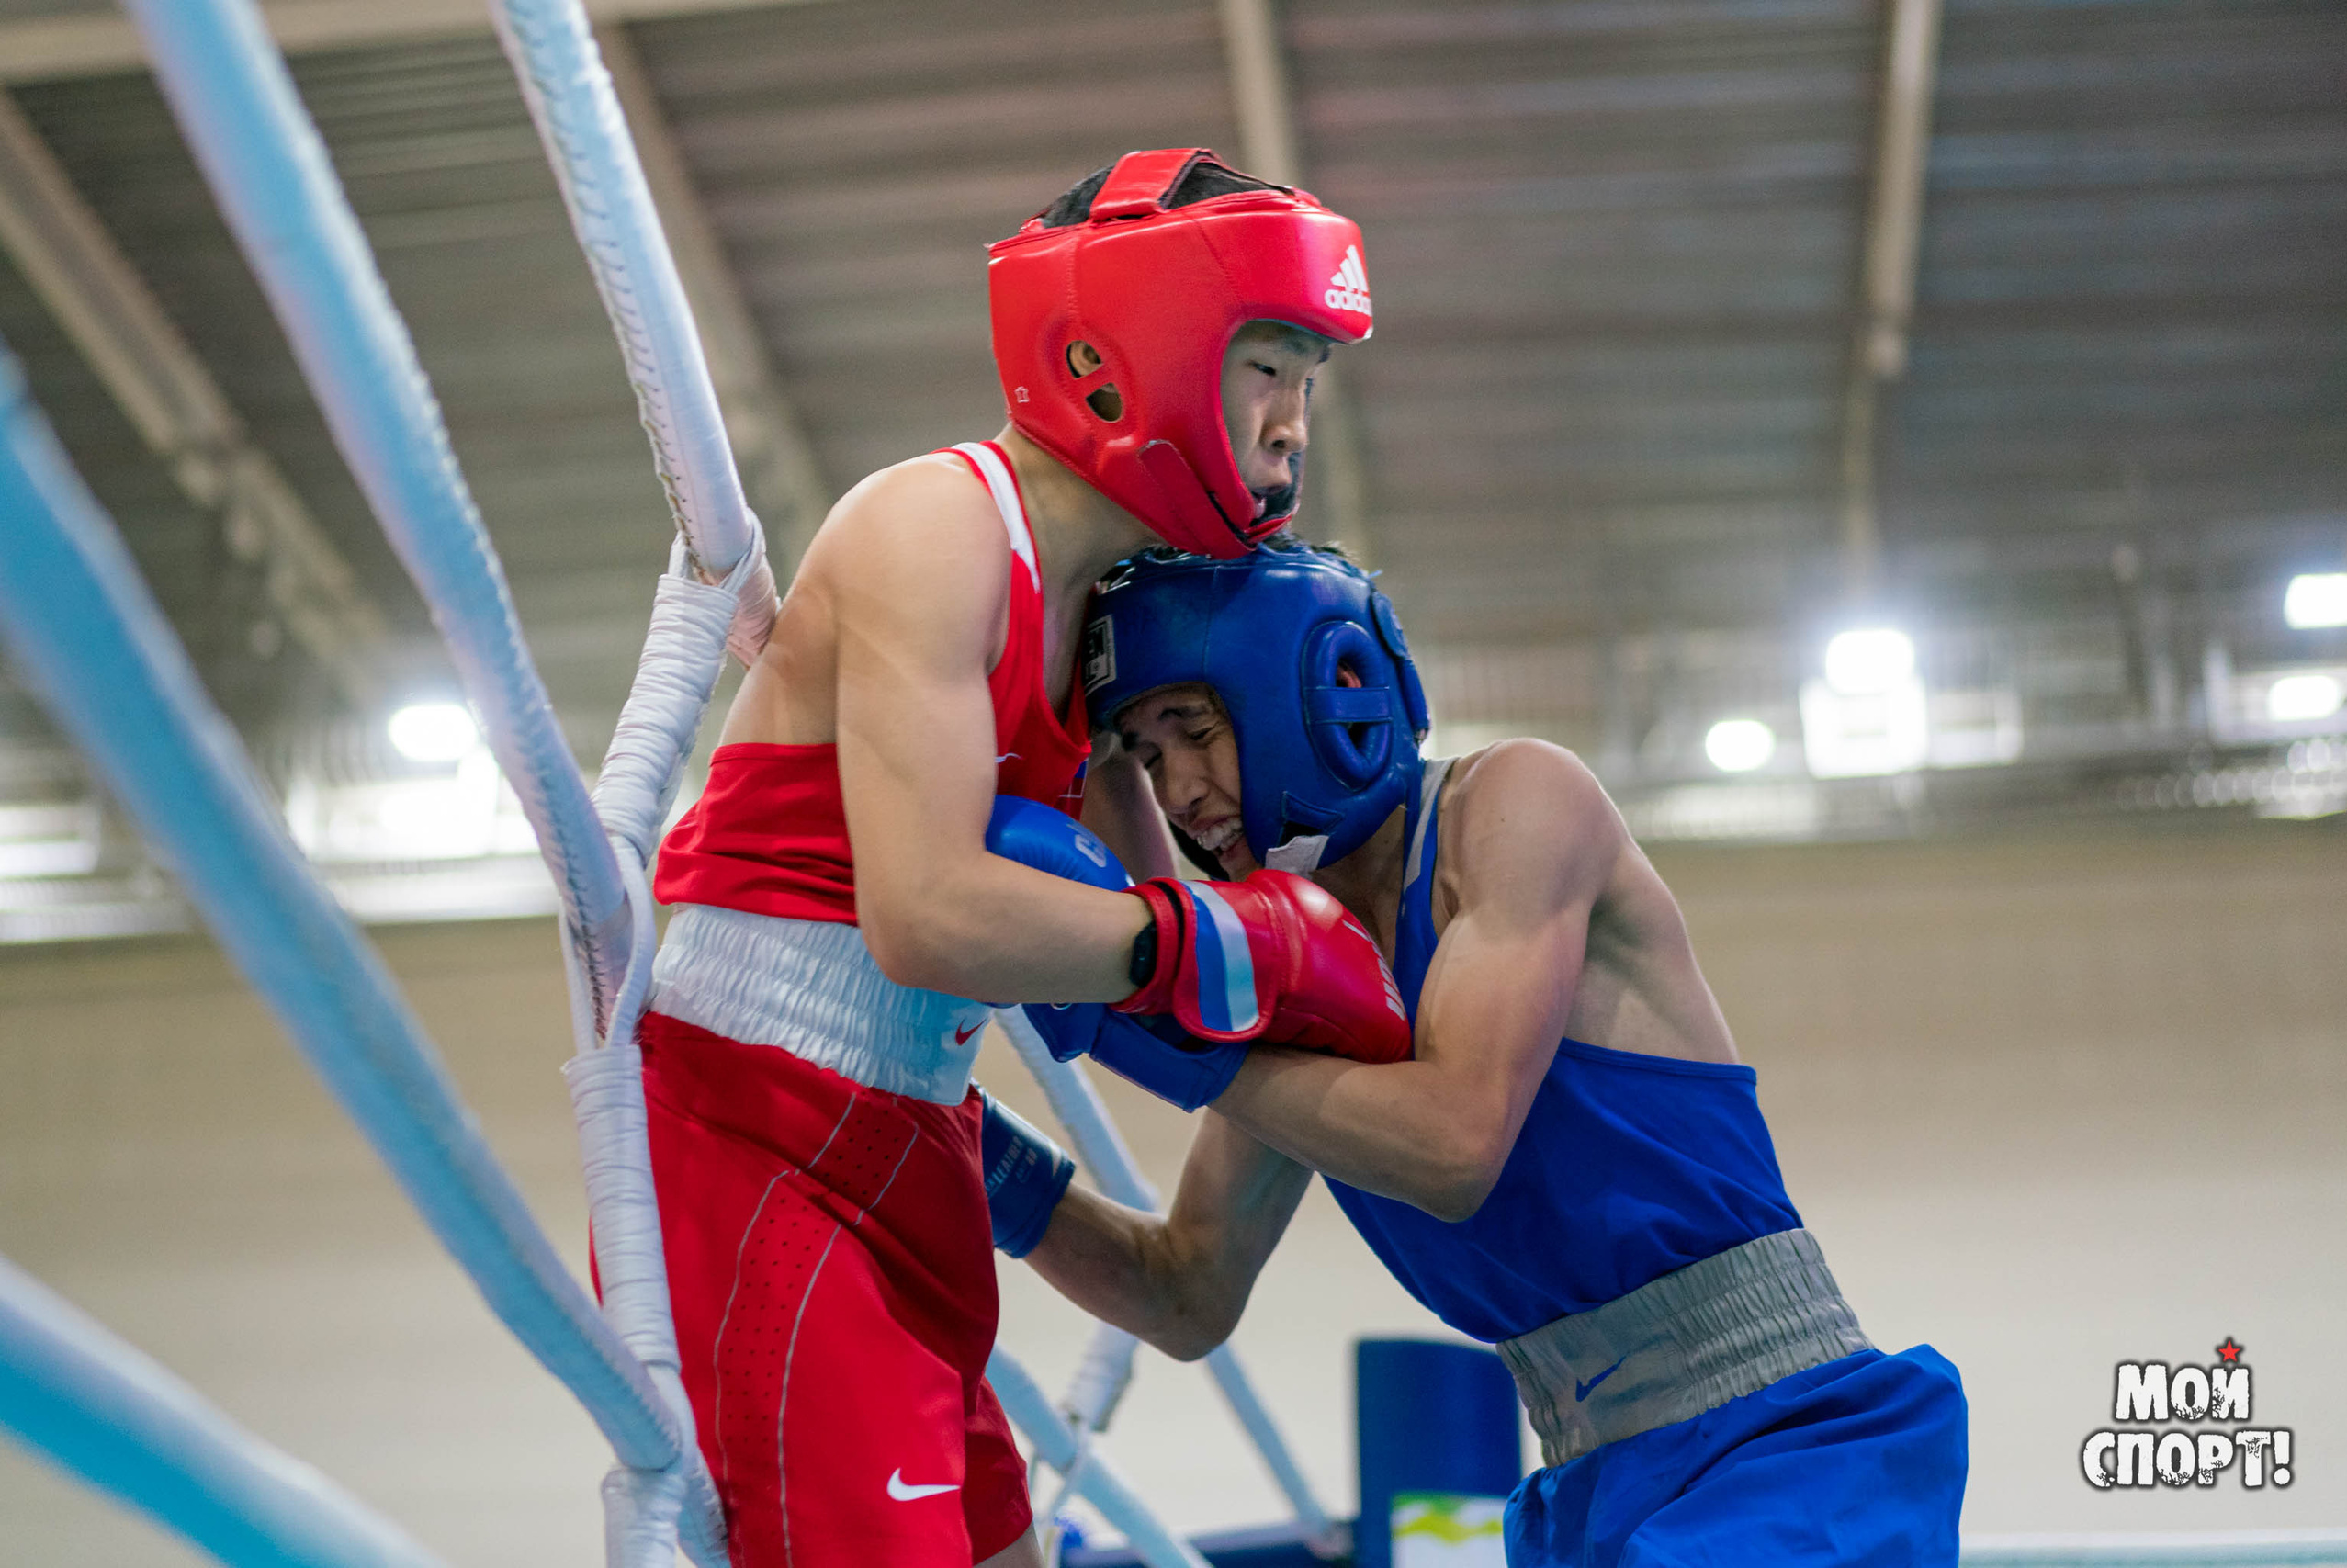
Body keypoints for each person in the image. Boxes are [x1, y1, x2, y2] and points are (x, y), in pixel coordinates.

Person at [638, 152, 1409, 1568]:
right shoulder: (934, 524)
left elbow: (1163, 981)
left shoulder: (1104, 621)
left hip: (914, 1128)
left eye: (1307, 380)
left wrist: (1272, 956)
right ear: (1126, 347)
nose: (1293, 425)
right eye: (1267, 367)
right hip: (758, 1127)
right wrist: (1220, 939)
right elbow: (932, 913)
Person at [984, 546, 1971, 1565]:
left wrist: (1144, 1013)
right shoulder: (1285, 981)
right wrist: (973, 1154)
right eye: (1146, 760)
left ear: (1315, 685)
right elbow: (1183, 1292)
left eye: (1194, 731)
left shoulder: (1512, 805)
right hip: (1585, 1490)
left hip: (1780, 1448)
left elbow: (1455, 1144)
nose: (1182, 791)